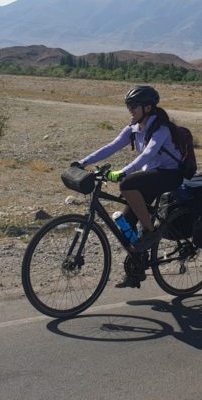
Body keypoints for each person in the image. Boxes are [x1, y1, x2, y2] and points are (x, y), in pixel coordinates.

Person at [74, 85, 185, 285]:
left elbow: (148, 154)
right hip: (151, 176)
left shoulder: (161, 129)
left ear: (148, 108)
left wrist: (124, 172)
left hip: (171, 175)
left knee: (127, 184)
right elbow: (111, 146)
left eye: (134, 106)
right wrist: (82, 162)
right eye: (129, 106)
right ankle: (136, 270)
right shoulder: (134, 128)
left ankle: (151, 231)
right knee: (125, 224)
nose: (130, 110)